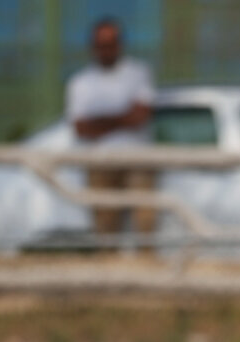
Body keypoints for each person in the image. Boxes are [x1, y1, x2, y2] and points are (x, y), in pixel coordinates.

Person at [65, 17, 156, 242]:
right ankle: (108, 263)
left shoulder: (138, 72)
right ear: (93, 46)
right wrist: (123, 117)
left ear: (120, 44)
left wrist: (99, 122)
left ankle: (147, 263)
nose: (106, 50)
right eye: (101, 44)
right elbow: (81, 128)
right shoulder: (81, 82)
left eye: (111, 43)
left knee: (145, 223)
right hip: (99, 162)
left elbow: (140, 117)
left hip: (137, 159)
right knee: (105, 229)